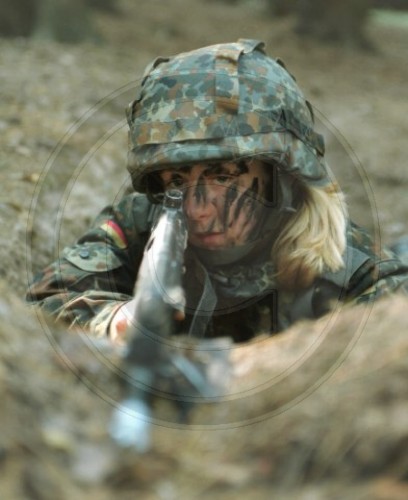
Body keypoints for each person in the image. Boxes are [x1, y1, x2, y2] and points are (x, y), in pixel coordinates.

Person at [27, 39, 408, 345]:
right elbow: (42, 302)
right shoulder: (144, 221)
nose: (197, 210)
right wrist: (115, 321)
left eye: (223, 176)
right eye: (176, 180)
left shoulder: (353, 270)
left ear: (283, 177)